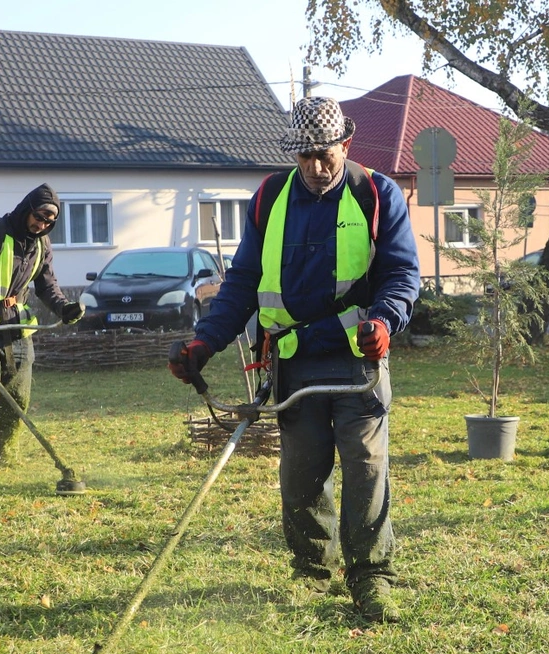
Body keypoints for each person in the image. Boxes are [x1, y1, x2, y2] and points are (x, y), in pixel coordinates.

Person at [168, 96, 421, 622]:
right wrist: (204, 341)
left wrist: (384, 322)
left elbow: (401, 276)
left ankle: (371, 576)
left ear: (345, 146)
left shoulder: (376, 193)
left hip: (358, 361)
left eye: (324, 154)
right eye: (304, 156)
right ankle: (313, 570)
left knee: (366, 468)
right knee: (302, 473)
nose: (315, 167)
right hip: (292, 361)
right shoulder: (271, 197)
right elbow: (241, 283)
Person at [0, 184, 85, 480]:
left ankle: (2, 455)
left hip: (19, 328)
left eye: (49, 222)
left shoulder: (42, 245)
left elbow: (47, 286)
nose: (42, 225)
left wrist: (65, 308)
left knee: (18, 396)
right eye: (39, 218)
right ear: (27, 209)